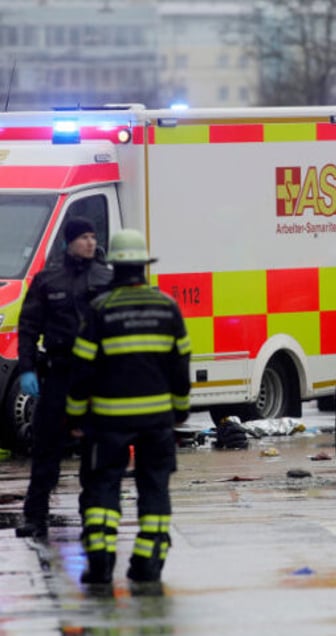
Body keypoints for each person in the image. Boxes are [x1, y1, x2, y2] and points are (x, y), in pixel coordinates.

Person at [66, 229, 190, 585]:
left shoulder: (99, 310)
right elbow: (180, 365)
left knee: (102, 486)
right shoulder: (168, 308)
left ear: (115, 268)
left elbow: (82, 370)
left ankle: (101, 560)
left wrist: (75, 416)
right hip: (156, 421)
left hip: (108, 422)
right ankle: (148, 561)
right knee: (154, 487)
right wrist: (179, 410)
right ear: (143, 267)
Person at [15, 217, 112, 540]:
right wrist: (27, 367)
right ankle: (35, 517)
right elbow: (28, 327)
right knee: (46, 449)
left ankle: (92, 516)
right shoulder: (48, 279)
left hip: (96, 377)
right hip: (60, 372)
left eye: (92, 236)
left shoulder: (105, 278)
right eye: (83, 237)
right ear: (69, 241)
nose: (89, 242)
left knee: (94, 451)